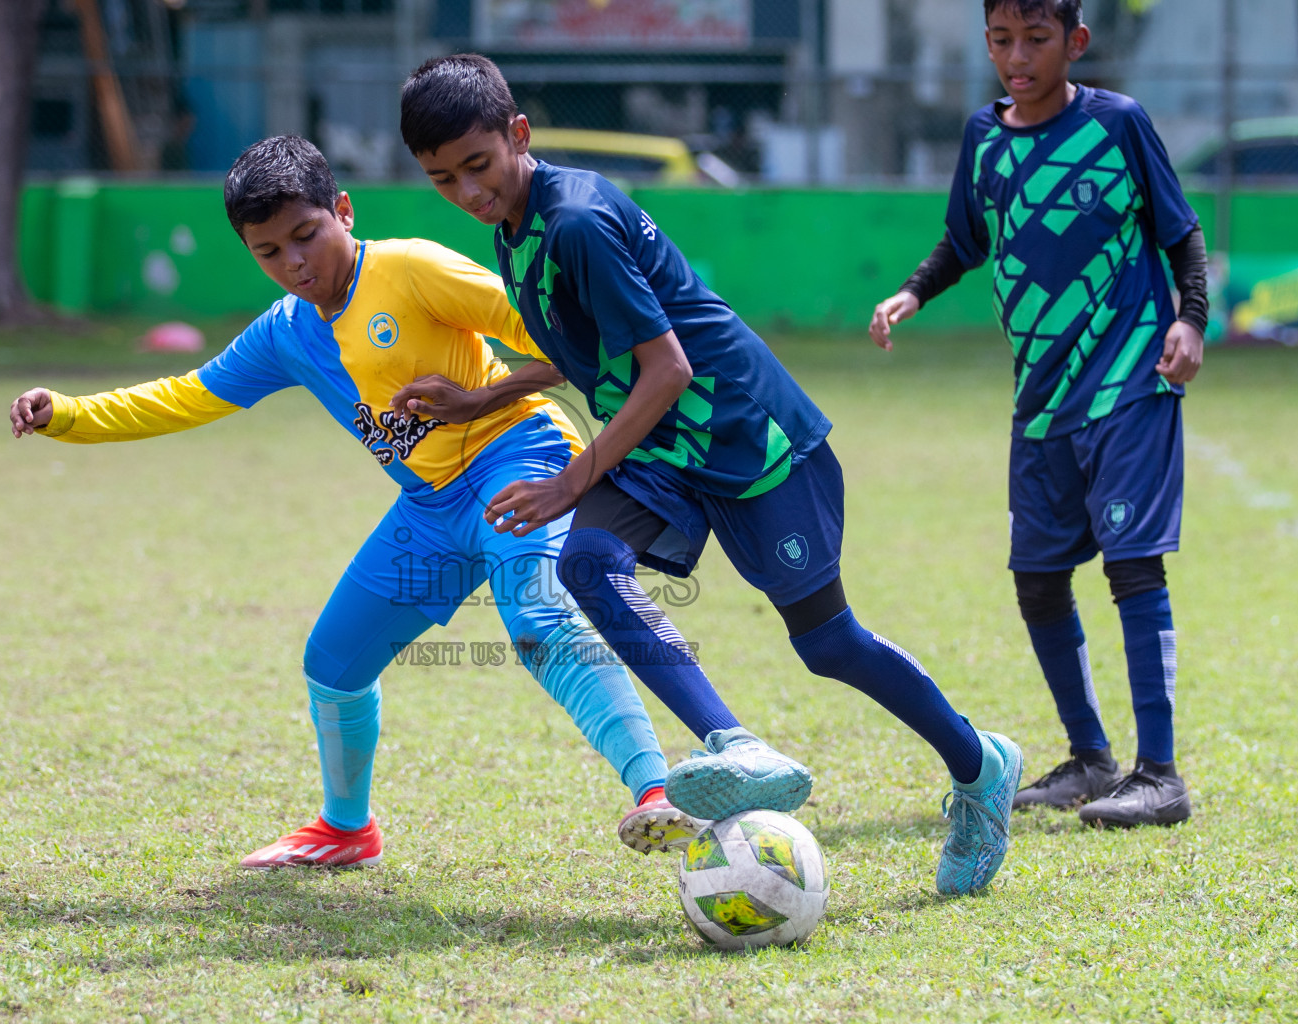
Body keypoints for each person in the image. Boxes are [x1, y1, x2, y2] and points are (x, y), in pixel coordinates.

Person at [396, 55, 1022, 895]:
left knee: (829, 643)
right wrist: (482, 399)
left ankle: (981, 767)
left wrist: (570, 480)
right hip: (663, 445)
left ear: (517, 135)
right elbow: (579, 349)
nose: (468, 192)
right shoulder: (517, 227)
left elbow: (669, 370)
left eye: (477, 166)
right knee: (586, 563)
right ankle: (737, 745)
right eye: (443, 180)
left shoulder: (575, 221)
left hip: (743, 434)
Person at [7, 136, 697, 867]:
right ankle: (345, 829)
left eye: (306, 235)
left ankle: (656, 793)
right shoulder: (285, 333)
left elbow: (571, 342)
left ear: (343, 210)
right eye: (269, 252)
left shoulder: (413, 269)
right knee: (333, 661)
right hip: (430, 506)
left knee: (536, 616)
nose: (295, 263)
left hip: (516, 454)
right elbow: (185, 397)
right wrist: (69, 414)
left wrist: (486, 397)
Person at [868, 0, 1203, 828]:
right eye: (1001, 40)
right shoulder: (986, 138)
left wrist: (1190, 318)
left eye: (1036, 39)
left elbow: (1180, 232)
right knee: (1038, 578)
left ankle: (1159, 774)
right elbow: (964, 238)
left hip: (1129, 376)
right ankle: (1091, 759)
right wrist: (912, 291)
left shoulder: (1120, 124)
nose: (1017, 57)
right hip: (1041, 399)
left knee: (1131, 564)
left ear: (1075, 42)